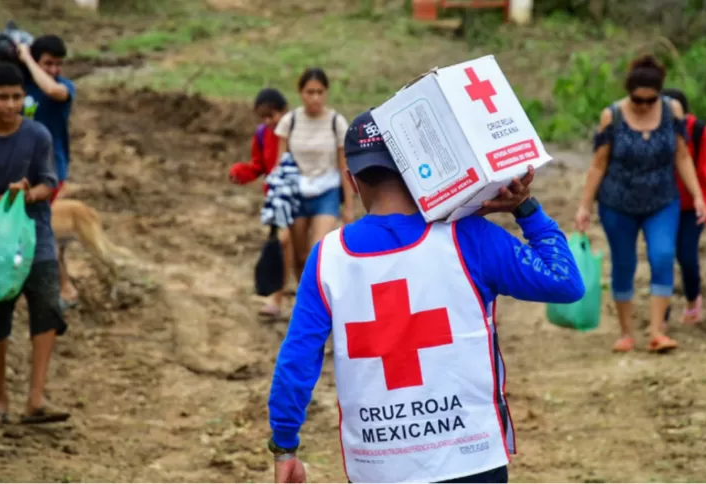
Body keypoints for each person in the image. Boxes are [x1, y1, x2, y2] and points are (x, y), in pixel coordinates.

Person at [266, 110, 585, 483]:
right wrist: (524, 208)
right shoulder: (468, 236)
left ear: (352, 181)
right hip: (471, 458)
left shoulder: (327, 257)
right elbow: (565, 282)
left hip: (379, 465)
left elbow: (297, 360)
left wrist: (285, 446)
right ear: (419, 169)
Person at [0, 62, 70, 425]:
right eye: (1, 97)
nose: (9, 104)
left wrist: (27, 194)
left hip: (37, 237)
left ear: (25, 98)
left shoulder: (38, 136)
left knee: (48, 308)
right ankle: (0, 397)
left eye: (16, 97)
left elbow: (48, 183)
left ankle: (36, 398)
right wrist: (3, 198)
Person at [574, 55, 706, 353]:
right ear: (629, 93)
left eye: (650, 100)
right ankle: (626, 333)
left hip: (662, 201)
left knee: (662, 257)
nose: (644, 106)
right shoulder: (613, 116)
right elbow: (598, 164)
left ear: (660, 94)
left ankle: (658, 330)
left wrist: (697, 195)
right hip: (617, 203)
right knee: (624, 263)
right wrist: (584, 206)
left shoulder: (672, 112)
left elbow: (683, 156)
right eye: (638, 100)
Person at [16, 34, 79, 307]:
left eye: (58, 64)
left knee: (37, 229)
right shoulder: (22, 87)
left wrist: (27, 58)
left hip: (52, 172)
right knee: (35, 229)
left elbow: (53, 91)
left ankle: (63, 289)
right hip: (23, 173)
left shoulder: (64, 87)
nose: (54, 70)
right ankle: (61, 287)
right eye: (48, 63)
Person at [274, 68, 352, 282]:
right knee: (299, 255)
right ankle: (304, 295)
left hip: (326, 191)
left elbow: (343, 166)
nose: (315, 97)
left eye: (319, 92)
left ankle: (316, 301)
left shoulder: (336, 122)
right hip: (297, 192)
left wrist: (349, 207)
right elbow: (280, 166)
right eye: (310, 92)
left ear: (326, 93)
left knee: (318, 253)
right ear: (301, 93)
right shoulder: (289, 122)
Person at [660, 88, 706, 324]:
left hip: (691, 207)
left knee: (686, 255)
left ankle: (692, 299)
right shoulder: (653, 129)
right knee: (662, 256)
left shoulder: (699, 131)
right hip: (661, 205)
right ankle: (662, 312)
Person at [230, 88, 294, 317]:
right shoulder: (262, 135)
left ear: (284, 110)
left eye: (272, 115)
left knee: (297, 250)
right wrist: (241, 173)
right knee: (282, 246)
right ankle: (277, 299)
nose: (269, 121)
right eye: (264, 118)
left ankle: (292, 298)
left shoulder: (299, 130)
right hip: (278, 200)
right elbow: (258, 166)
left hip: (302, 196)